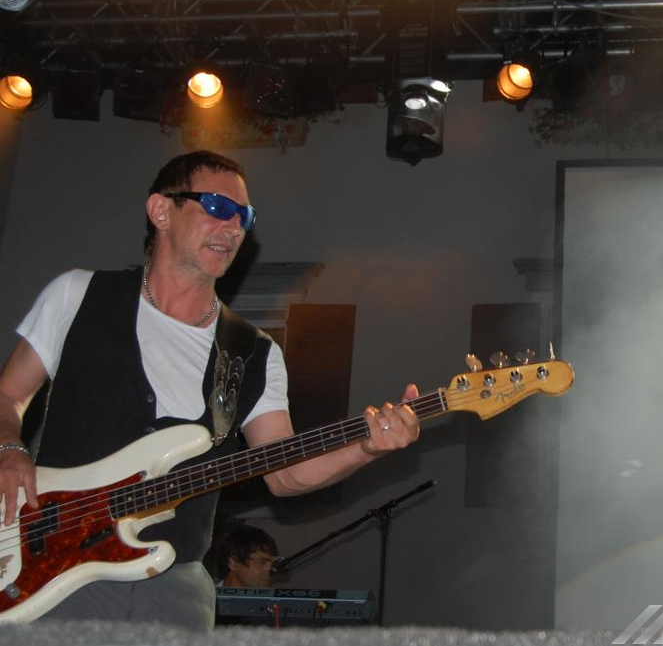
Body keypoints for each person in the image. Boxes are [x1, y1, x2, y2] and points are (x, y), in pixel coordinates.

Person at [0, 150, 420, 628]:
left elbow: (284, 473)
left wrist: (366, 447)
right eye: (219, 208)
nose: (234, 227)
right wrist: (9, 447)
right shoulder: (78, 295)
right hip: (48, 568)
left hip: (173, 588)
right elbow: (8, 395)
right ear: (161, 210)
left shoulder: (252, 352)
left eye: (245, 217)